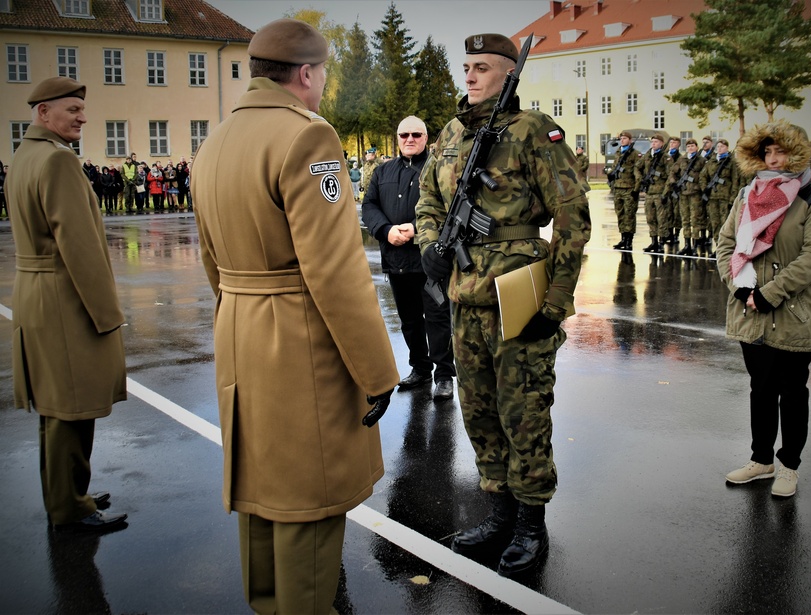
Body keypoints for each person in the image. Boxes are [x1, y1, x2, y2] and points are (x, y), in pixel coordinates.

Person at [191, 19, 399, 614]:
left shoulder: (217, 141)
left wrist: (241, 309)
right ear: (305, 73)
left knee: (261, 485)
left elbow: (211, 257)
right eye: (323, 73)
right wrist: (377, 372)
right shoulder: (311, 140)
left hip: (239, 326)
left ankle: (269, 602)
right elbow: (335, 268)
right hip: (299, 339)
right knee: (309, 492)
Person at [416, 33, 591, 576]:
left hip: (518, 294)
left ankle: (530, 524)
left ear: (507, 73)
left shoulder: (533, 130)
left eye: (482, 68)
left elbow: (572, 218)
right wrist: (428, 246)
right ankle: (497, 512)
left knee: (525, 414)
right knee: (480, 413)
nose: (469, 76)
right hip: (464, 297)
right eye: (466, 67)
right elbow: (428, 200)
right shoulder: (448, 134)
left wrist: (556, 302)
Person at [5, 76, 128, 532]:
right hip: (65, 298)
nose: (82, 117)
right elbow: (80, 248)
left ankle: (67, 493)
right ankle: (70, 509)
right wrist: (107, 315)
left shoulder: (26, 156)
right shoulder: (57, 162)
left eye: (81, 109)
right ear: (43, 113)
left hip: (38, 293)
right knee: (71, 409)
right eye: (72, 110)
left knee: (57, 409)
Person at [717, 120, 811, 498]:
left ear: (797, 153)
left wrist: (771, 292)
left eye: (780, 151)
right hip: (750, 310)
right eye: (767, 152)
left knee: (792, 391)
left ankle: (789, 466)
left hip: (791, 311)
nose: (773, 158)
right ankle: (761, 459)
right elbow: (725, 246)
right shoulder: (746, 195)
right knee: (761, 388)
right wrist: (740, 287)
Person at [362, 116, 456, 400]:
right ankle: (420, 369)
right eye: (404, 135)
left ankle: (443, 375)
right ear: (398, 137)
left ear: (426, 138)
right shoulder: (383, 171)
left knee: (438, 317)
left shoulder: (439, 169)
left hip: (430, 260)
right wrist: (386, 230)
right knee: (410, 319)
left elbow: (450, 207)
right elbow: (370, 205)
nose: (410, 139)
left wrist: (418, 229)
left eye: (416, 134)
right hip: (397, 259)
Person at [699, 139, 739, 257]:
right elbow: (703, 176)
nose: (720, 149)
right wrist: (705, 189)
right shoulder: (711, 161)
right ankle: (718, 247)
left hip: (725, 198)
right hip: (712, 198)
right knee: (715, 223)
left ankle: (728, 249)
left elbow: (735, 181)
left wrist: (732, 199)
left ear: (727, 148)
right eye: (718, 147)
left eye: (722, 147)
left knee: (725, 224)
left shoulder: (731, 162)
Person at [669, 138, 705, 256]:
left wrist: (701, 187)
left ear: (697, 147)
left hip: (695, 194)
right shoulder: (682, 159)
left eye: (692, 146)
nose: (690, 148)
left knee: (695, 220)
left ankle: (695, 246)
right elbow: (673, 172)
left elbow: (705, 176)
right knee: (685, 219)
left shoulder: (701, 160)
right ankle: (687, 245)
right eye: (688, 146)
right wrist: (674, 182)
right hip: (683, 193)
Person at [638, 133, 673, 253]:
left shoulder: (665, 157)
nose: (654, 144)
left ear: (662, 144)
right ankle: (653, 242)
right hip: (649, 192)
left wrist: (666, 192)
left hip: (660, 192)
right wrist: (641, 178)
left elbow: (670, 176)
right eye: (652, 142)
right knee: (650, 217)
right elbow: (637, 167)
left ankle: (661, 242)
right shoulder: (648, 155)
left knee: (661, 218)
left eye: (656, 142)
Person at [610, 130, 643, 251]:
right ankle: (623, 238)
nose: (622, 140)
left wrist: (636, 189)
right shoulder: (618, 152)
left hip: (629, 188)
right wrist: (610, 175)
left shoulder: (635, 154)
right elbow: (614, 167)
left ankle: (629, 240)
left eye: (624, 138)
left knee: (629, 215)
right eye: (621, 139)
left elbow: (639, 173)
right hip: (618, 188)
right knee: (620, 214)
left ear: (630, 140)